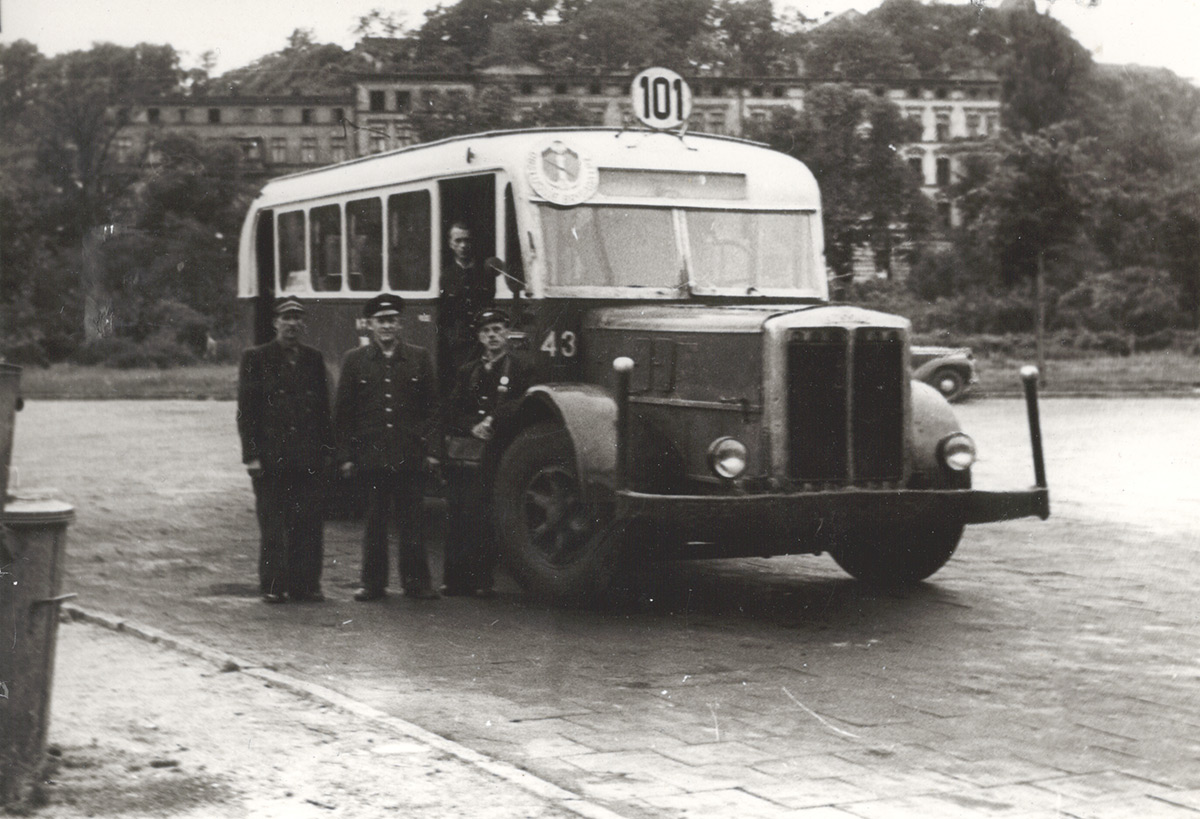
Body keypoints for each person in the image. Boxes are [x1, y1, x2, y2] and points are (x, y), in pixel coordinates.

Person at [335, 293, 440, 602]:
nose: (387, 327)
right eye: (381, 321)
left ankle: (417, 583)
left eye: (392, 321)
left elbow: (432, 409)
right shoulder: (355, 360)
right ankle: (372, 584)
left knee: (413, 523)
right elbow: (344, 414)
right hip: (372, 457)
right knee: (375, 523)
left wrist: (432, 451)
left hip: (410, 456)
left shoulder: (419, 357)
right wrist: (345, 456)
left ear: (400, 324)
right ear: (370, 325)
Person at [236, 297, 334, 604]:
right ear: (275, 323)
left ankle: (306, 585)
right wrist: (251, 455)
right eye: (286, 318)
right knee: (274, 524)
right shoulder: (256, 358)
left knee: (308, 522)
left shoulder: (313, 358)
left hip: (307, 457)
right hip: (270, 458)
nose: (291, 324)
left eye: (297, 319)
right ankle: (274, 585)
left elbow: (322, 410)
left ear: (303, 324)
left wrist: (327, 453)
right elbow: (247, 411)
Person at [442, 308, 534, 596]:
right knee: (458, 515)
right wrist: (472, 427)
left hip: (499, 453)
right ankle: (455, 580)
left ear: (507, 334)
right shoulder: (468, 371)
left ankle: (482, 580)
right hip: (467, 455)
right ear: (479, 337)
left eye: (497, 330)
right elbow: (452, 411)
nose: (493, 336)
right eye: (486, 331)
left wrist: (493, 420)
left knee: (485, 517)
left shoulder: (522, 369)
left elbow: (525, 405)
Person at [437, 222, 498, 389]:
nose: (463, 245)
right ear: (451, 244)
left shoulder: (485, 273)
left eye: (467, 240)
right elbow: (444, 316)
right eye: (458, 241)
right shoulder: (445, 276)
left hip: (483, 342)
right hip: (457, 345)